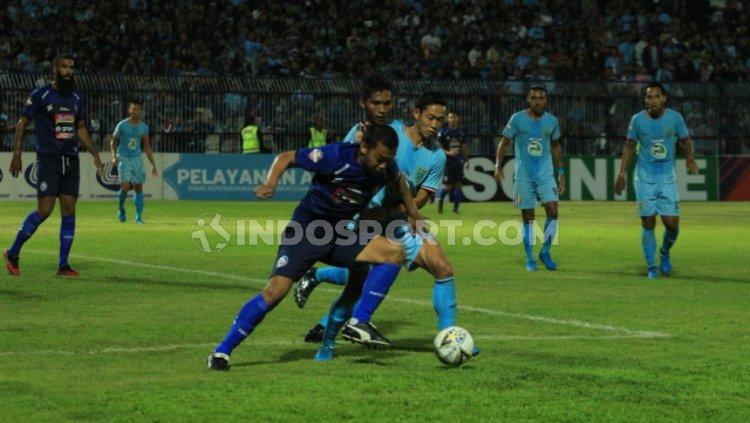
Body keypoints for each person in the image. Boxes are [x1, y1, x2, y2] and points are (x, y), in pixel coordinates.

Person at [206, 124, 422, 370]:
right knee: (275, 292)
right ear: (363, 148)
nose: (384, 165)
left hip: (342, 233)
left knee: (392, 253)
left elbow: (399, 182)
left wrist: (413, 213)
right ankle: (222, 351)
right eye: (380, 159)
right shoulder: (334, 156)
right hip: (307, 232)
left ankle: (346, 330)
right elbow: (286, 157)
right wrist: (270, 184)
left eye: (388, 160)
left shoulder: (386, 167)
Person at [296, 87, 466, 352]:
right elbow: (350, 158)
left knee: (442, 268)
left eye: (440, 120)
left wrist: (403, 212)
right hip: (362, 215)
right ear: (416, 114)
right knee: (369, 269)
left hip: (396, 217)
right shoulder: (389, 132)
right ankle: (346, 319)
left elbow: (422, 195)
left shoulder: (437, 156)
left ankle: (451, 339)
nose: (435, 125)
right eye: (430, 118)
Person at [3, 54, 104, 277]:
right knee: (45, 210)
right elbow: (22, 123)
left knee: (69, 210)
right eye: (65, 67)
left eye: (72, 67)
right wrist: (17, 154)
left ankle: (63, 264)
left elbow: (79, 128)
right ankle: (13, 252)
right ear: (55, 70)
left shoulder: (77, 96)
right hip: (48, 159)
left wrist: (94, 152)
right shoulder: (41, 95)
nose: (69, 71)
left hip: (71, 159)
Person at [614, 82, 699, 279]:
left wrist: (689, 158)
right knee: (648, 221)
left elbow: (686, 140)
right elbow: (628, 146)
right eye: (648, 97)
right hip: (644, 179)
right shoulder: (637, 120)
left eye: (655, 96)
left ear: (663, 99)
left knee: (671, 223)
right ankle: (652, 266)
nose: (651, 100)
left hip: (667, 179)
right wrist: (621, 174)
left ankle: (664, 253)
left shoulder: (675, 118)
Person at [494, 85, 566, 272]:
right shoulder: (517, 119)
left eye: (541, 98)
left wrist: (561, 173)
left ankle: (546, 251)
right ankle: (530, 257)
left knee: (553, 211)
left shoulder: (552, 121)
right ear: (528, 99)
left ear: (546, 100)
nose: (538, 101)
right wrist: (497, 165)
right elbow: (504, 143)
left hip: (545, 175)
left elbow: (556, 146)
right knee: (528, 217)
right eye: (534, 98)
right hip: (524, 176)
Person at [110, 99, 157, 224]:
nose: (135, 111)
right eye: (133, 108)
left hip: (137, 158)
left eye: (138, 109)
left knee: (138, 187)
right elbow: (113, 142)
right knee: (125, 187)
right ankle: (121, 208)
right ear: (129, 110)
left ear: (141, 111)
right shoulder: (122, 125)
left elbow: (147, 146)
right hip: (124, 157)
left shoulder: (144, 127)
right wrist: (114, 156)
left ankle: (138, 217)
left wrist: (153, 164)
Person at [437, 111, 469, 214]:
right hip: (448, 162)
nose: (453, 119)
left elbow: (463, 148)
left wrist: (466, 160)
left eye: (455, 117)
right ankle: (441, 200)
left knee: (458, 185)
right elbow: (438, 149)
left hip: (458, 162)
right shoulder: (443, 132)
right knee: (448, 187)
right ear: (448, 119)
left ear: (458, 119)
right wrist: (449, 153)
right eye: (451, 117)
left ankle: (455, 209)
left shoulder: (461, 133)